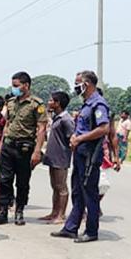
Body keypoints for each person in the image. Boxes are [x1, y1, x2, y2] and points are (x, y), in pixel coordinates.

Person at [51, 70, 113, 243]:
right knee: (77, 192)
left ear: (87, 84)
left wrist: (80, 138)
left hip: (90, 155)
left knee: (89, 192)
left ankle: (91, 231)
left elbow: (104, 129)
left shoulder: (98, 104)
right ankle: (71, 228)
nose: (76, 86)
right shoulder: (86, 104)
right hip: (80, 153)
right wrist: (75, 138)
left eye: (78, 83)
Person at [0, 71, 48, 226]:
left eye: (16, 85)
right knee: (4, 179)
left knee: (22, 182)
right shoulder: (10, 102)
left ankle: (19, 211)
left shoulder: (37, 104)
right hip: (9, 145)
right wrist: (1, 145)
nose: (13, 88)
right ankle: (2, 211)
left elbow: (42, 128)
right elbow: (8, 124)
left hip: (25, 147)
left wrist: (37, 151)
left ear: (26, 85)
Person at [40, 91, 74, 224]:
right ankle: (54, 212)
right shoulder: (56, 118)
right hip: (52, 157)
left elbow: (72, 139)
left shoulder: (66, 120)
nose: (48, 102)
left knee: (61, 187)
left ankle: (61, 215)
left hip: (61, 158)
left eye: (50, 100)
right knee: (54, 186)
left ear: (57, 103)